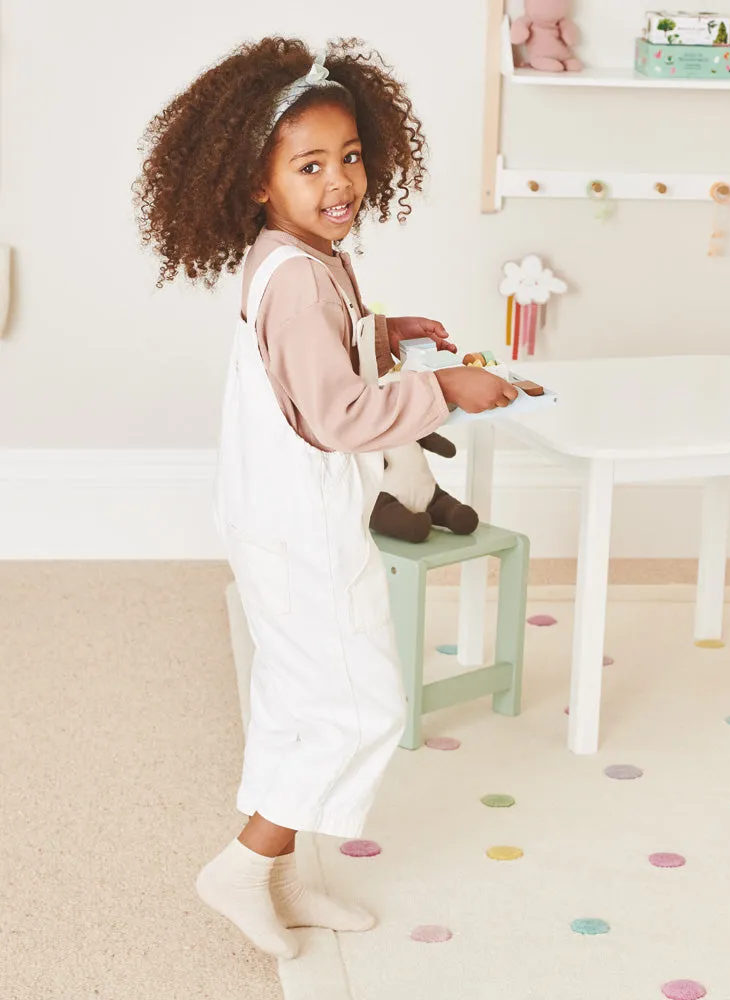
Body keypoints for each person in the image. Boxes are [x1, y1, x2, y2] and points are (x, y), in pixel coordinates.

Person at [134, 36, 517, 959]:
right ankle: (242, 863)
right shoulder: (301, 279)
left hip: (277, 514)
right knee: (358, 702)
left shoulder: (300, 257)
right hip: (297, 524)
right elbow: (338, 414)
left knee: (299, 695)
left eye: (349, 157)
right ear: (258, 183)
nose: (338, 179)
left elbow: (325, 356)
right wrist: (447, 391)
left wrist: (388, 332)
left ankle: (283, 871)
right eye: (309, 165)